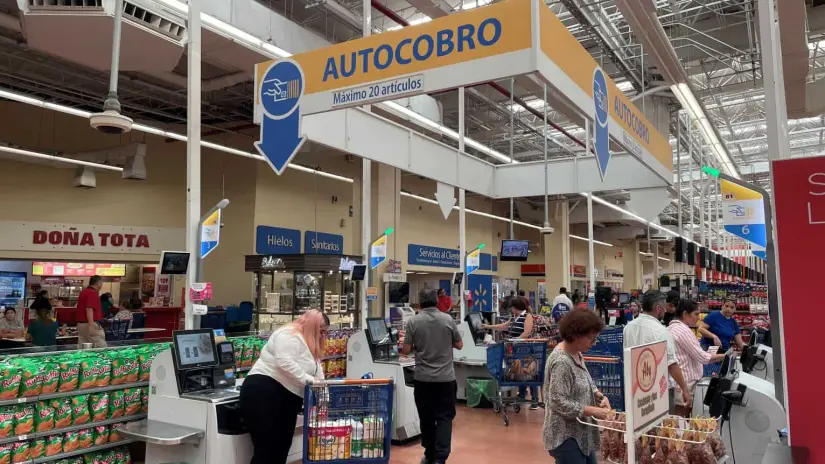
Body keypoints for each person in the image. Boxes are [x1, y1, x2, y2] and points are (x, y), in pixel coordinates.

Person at [240, 310, 328, 464]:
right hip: (264, 393)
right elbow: (284, 363)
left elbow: (317, 370)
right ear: (312, 327)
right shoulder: (288, 334)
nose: (323, 336)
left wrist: (324, 395)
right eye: (321, 331)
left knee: (281, 448)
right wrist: (310, 381)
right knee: (267, 449)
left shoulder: (309, 342)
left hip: (287, 400)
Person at [401, 289, 462, 464]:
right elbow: (459, 344)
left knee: (426, 417)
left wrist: (417, 347)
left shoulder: (413, 321)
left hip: (423, 380)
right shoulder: (447, 319)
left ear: (419, 304)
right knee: (444, 417)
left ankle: (429, 453)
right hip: (445, 380)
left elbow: (406, 350)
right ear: (437, 301)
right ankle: (441, 458)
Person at [544, 308, 610, 463]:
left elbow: (587, 380)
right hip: (565, 436)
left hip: (581, 432)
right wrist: (592, 410)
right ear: (575, 335)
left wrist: (599, 395)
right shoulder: (561, 362)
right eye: (591, 339)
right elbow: (558, 402)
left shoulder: (576, 353)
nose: (594, 344)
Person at [623, 290, 691, 410]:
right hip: (658, 389)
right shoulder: (661, 331)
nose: (665, 310)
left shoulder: (628, 327)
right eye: (664, 306)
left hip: (635, 387)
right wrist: (685, 389)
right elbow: (671, 364)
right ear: (658, 308)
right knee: (662, 425)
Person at [668, 299, 727, 417]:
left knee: (681, 418)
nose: (698, 318)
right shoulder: (682, 331)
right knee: (683, 417)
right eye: (695, 314)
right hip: (686, 380)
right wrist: (726, 356)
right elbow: (702, 357)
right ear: (685, 314)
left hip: (682, 380)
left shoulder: (673, 328)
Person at [483, 297, 539, 409]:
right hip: (515, 350)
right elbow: (504, 326)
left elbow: (526, 333)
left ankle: (534, 400)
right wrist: (489, 326)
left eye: (512, 307)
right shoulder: (514, 317)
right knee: (520, 373)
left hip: (525, 349)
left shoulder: (527, 316)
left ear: (516, 307)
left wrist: (514, 341)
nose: (511, 310)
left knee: (529, 374)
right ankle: (521, 396)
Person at [76, 275, 106, 348]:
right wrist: (91, 325)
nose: (102, 285)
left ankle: (84, 360)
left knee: (84, 348)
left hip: (81, 325)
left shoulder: (83, 292)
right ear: (98, 283)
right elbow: (89, 309)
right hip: (90, 324)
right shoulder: (92, 293)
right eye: (101, 282)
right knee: (100, 347)